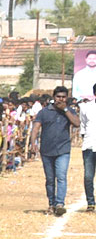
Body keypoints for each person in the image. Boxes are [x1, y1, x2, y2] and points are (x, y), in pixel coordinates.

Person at [30, 85, 79, 215]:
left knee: (61, 176)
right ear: (54, 97)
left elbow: (77, 123)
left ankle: (60, 203)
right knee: (50, 179)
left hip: (63, 149)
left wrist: (66, 110)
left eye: (63, 97)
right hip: (46, 150)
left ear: (66, 98)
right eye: (58, 97)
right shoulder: (44, 112)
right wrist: (33, 142)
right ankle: (51, 204)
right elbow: (35, 128)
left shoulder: (69, 111)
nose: (60, 99)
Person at [79, 93, 96, 211]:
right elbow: (83, 126)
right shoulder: (85, 107)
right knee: (88, 176)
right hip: (89, 146)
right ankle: (90, 202)